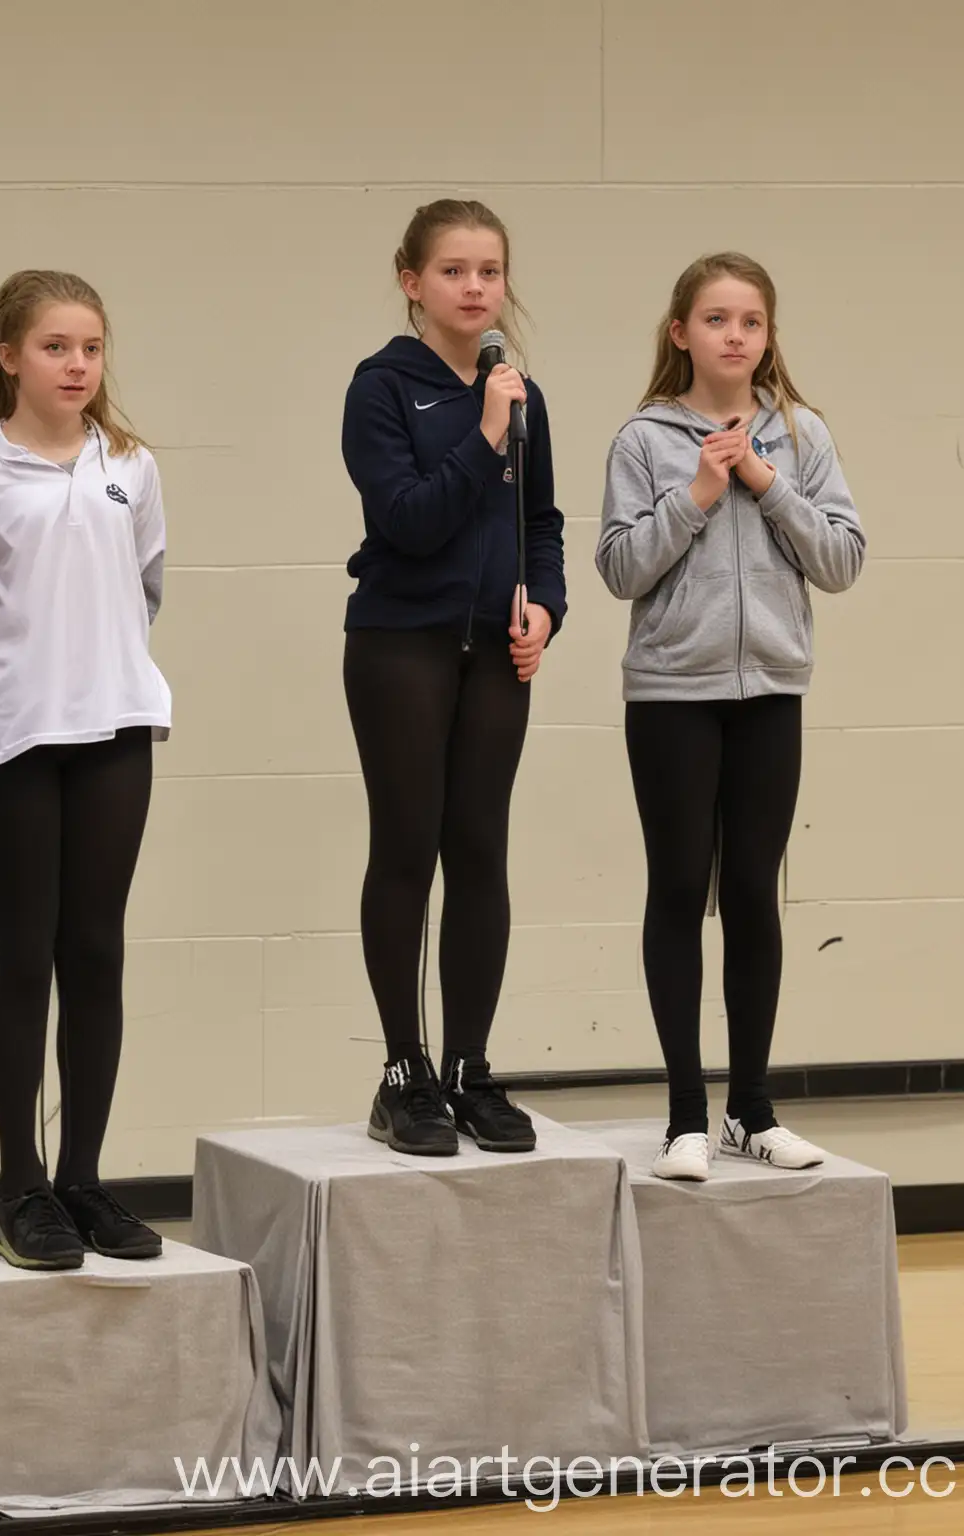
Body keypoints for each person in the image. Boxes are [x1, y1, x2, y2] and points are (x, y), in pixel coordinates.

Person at [0, 270, 170, 1269]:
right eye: (57, 347)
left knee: (95, 951)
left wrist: (98, 670)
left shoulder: (132, 467)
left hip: (116, 727)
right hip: (14, 739)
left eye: (92, 348)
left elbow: (144, 588)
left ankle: (84, 1180)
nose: (77, 365)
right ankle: (19, 1185)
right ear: (9, 356)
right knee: (23, 954)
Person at [596, 252, 866, 1181]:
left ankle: (752, 1107)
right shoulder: (642, 440)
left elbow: (841, 559)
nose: (734, 336)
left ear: (767, 337)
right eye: (715, 320)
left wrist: (762, 478)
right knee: (678, 889)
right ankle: (684, 1116)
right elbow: (621, 568)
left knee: (753, 893)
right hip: (673, 695)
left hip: (771, 696)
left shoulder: (802, 433)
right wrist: (700, 492)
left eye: (750, 322)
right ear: (682, 333)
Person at [340, 200, 567, 1157]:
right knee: (410, 845)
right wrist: (480, 434)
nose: (475, 288)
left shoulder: (525, 393)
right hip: (403, 644)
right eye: (454, 271)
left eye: (490, 271)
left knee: (481, 847)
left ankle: (471, 1066)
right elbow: (410, 520)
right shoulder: (383, 388)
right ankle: (406, 1071)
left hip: (495, 650)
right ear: (411, 282)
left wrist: (546, 608)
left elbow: (544, 523)